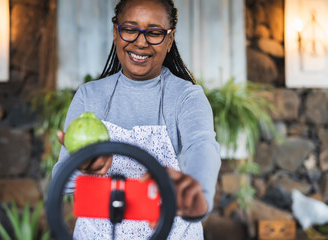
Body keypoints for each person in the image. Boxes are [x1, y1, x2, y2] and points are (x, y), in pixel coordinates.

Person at [53, 0, 221, 239]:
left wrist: (197, 193)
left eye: (154, 33)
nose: (141, 42)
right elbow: (62, 182)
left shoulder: (186, 97)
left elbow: (202, 147)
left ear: (170, 39)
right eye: (130, 29)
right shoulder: (90, 96)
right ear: (115, 32)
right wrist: (83, 166)